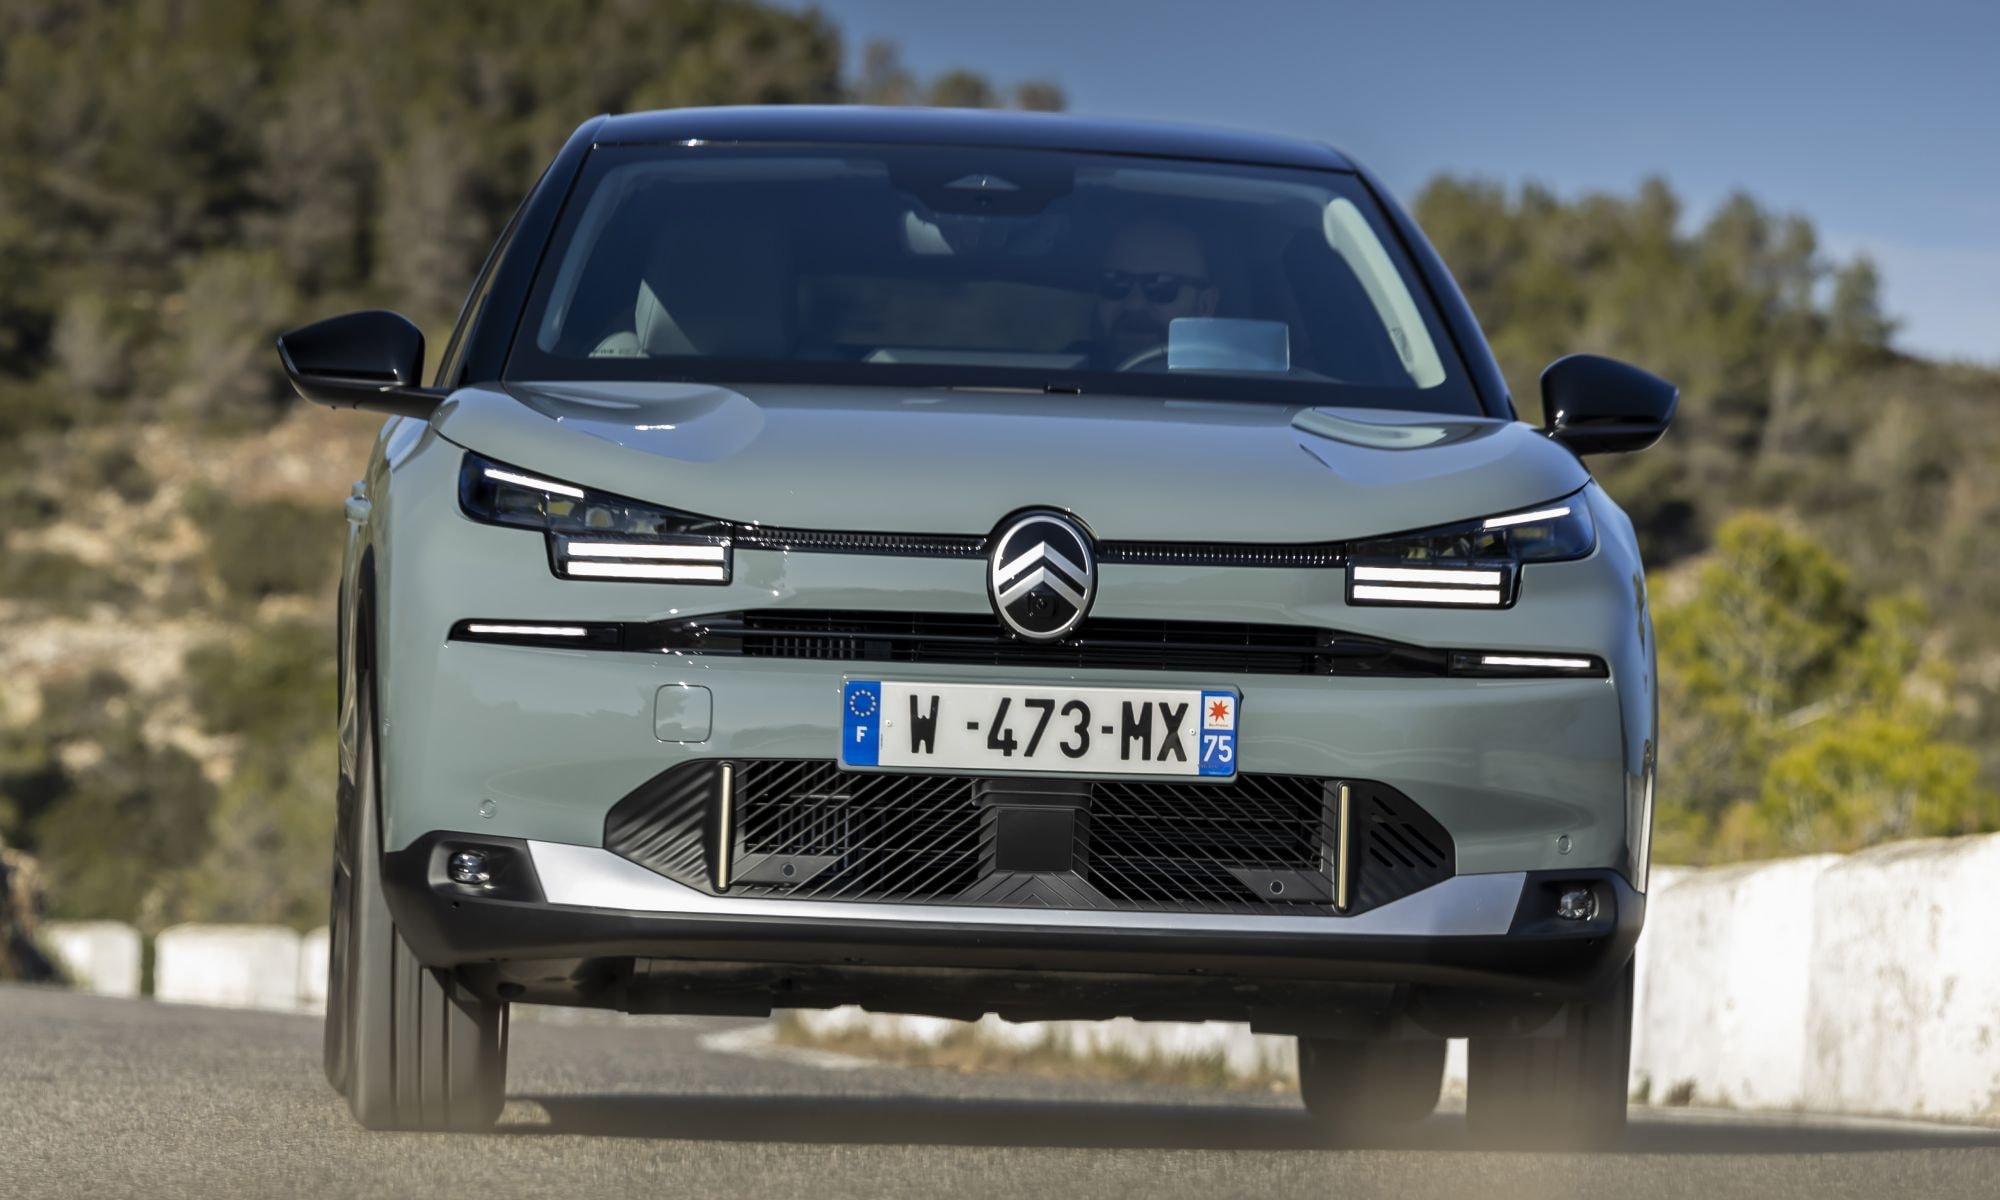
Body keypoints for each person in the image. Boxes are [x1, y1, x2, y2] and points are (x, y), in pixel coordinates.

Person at [1088, 218, 1220, 368]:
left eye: (1161, 286)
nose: (1134, 304)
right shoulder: (1063, 373)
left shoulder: (1233, 385)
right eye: (1115, 283)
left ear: (1205, 305)